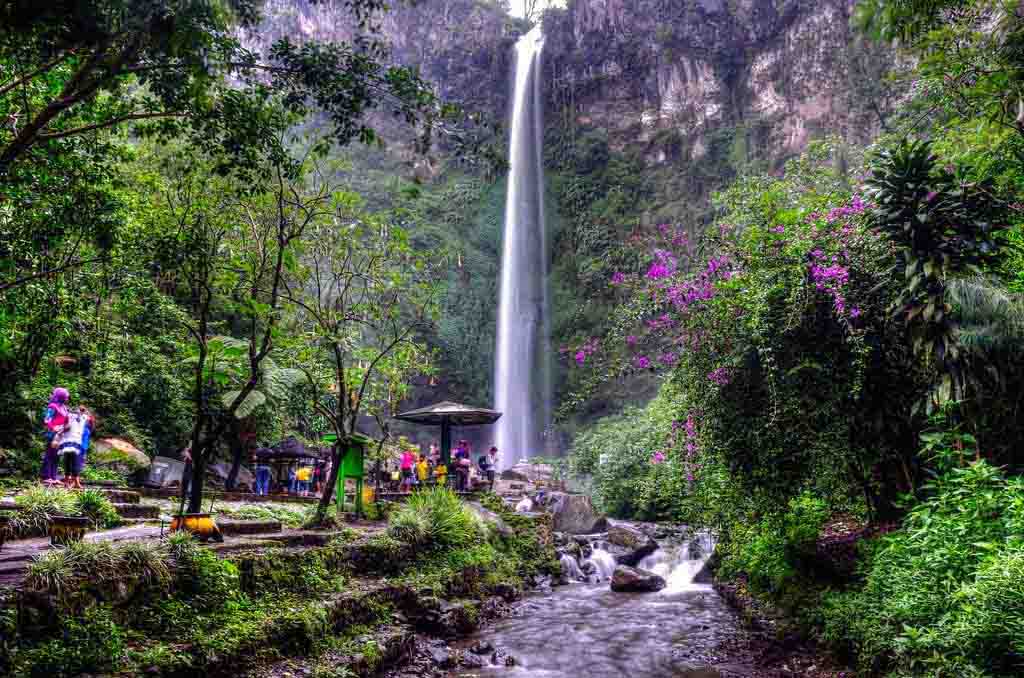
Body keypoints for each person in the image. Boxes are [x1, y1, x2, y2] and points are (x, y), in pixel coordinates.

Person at [56, 405, 94, 489]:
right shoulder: (81, 417)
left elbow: (91, 424)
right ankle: (71, 482)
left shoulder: (82, 418)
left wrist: (60, 432)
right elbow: (91, 424)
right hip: (74, 442)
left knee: (70, 461)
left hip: (72, 442)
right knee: (72, 461)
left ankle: (71, 482)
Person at [41, 387, 70, 485]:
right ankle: (46, 476)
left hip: (61, 435)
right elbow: (47, 420)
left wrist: (67, 426)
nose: (67, 398)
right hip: (52, 434)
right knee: (49, 454)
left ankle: (54, 476)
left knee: (57, 456)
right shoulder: (53, 406)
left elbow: (66, 420)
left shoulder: (64, 407)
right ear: (60, 396)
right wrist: (54, 428)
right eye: (65, 396)